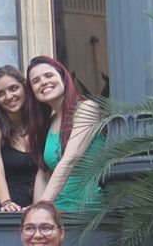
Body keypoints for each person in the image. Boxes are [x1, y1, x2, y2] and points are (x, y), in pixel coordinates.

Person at [27, 55, 105, 212]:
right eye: (36, 81)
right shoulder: (49, 123)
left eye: (49, 75)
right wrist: (36, 214)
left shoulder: (87, 108)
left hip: (87, 211)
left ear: (63, 78)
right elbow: (43, 173)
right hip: (57, 212)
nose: (43, 82)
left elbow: (70, 159)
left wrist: (42, 207)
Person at [0, 65, 35, 212]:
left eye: (13, 88)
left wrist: (40, 205)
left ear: (25, 88)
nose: (8, 96)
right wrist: (6, 203)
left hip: (35, 207)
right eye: (1, 93)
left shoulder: (39, 123)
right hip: (4, 206)